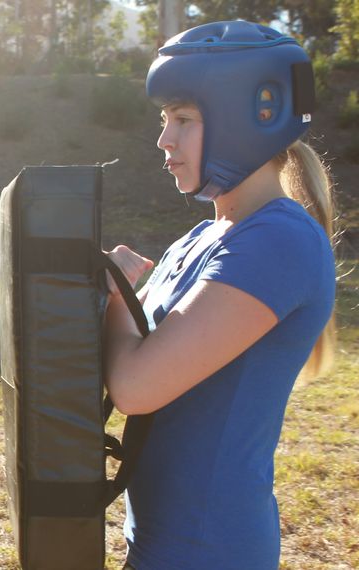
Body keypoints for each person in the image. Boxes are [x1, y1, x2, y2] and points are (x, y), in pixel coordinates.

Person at [103, 21, 337, 569]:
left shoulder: (278, 239)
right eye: (165, 120)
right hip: (160, 541)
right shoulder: (205, 236)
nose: (164, 139)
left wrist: (114, 294)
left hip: (211, 552)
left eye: (183, 119)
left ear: (254, 116)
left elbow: (137, 386)